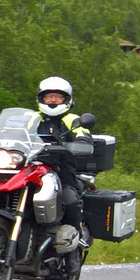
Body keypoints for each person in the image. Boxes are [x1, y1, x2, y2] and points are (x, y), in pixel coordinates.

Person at [33, 76, 92, 253]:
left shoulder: (73, 119)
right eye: (48, 96)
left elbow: (83, 133)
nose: (52, 101)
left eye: (57, 97)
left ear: (66, 99)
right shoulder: (32, 118)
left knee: (70, 200)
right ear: (41, 99)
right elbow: (11, 131)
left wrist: (81, 142)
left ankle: (77, 239)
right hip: (32, 169)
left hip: (61, 172)